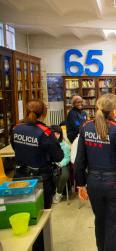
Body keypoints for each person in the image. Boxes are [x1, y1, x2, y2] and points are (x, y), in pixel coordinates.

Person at [74, 94, 116, 251]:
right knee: (114, 224)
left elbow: (79, 161)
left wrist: (81, 184)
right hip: (115, 184)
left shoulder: (86, 126)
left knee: (100, 221)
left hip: (93, 183)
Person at [11, 99, 64, 251]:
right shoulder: (45, 132)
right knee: (41, 217)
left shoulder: (17, 128)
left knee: (22, 212)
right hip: (41, 179)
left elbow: (15, 147)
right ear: (44, 113)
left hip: (20, 176)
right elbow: (59, 157)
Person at [50, 125, 71, 204]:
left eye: (58, 133)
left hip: (62, 164)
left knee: (64, 175)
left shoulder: (64, 145)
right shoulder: (47, 143)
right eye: (54, 133)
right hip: (50, 164)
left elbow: (67, 158)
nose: (56, 135)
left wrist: (60, 164)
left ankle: (58, 193)